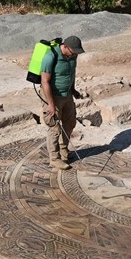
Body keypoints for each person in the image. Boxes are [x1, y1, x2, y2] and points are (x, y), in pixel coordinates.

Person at [41, 35, 84, 170]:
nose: (75, 54)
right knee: (54, 127)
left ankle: (64, 149)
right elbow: (45, 81)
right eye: (73, 51)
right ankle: (54, 158)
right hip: (52, 96)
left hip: (67, 95)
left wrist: (73, 90)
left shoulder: (73, 56)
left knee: (70, 122)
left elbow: (71, 73)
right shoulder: (50, 56)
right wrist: (50, 104)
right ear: (65, 47)